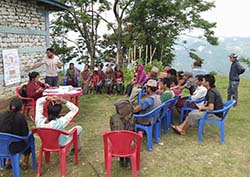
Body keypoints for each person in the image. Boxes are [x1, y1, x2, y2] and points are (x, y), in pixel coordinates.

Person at [0, 98, 31, 169]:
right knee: (29, 140)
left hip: (1, 146)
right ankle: (25, 162)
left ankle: (8, 161)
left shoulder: (1, 115)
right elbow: (25, 135)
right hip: (14, 147)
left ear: (10, 106)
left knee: (10, 140)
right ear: (22, 107)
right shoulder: (21, 117)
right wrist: (27, 142)